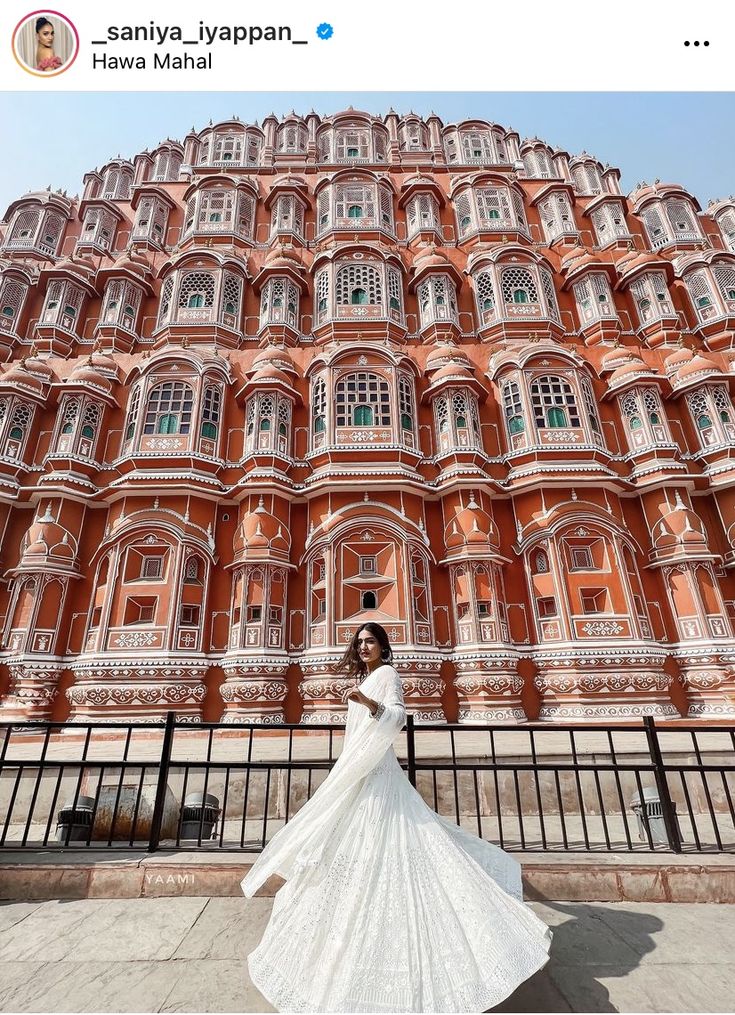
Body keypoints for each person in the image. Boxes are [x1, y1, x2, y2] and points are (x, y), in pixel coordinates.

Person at [241, 622, 551, 1012]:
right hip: (363, 771)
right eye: (360, 642)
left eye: (371, 641)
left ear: (383, 646)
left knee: (388, 840)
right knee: (360, 844)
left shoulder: (386, 674)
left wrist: (369, 704)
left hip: (379, 774)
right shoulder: (367, 677)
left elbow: (397, 717)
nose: (364, 646)